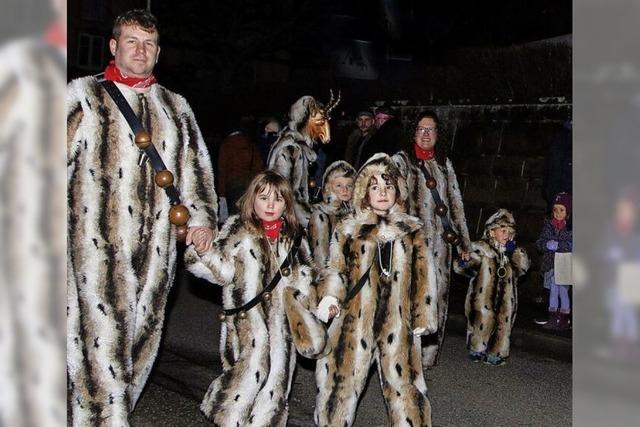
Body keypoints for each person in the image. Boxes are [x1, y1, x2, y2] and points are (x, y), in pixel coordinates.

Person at [66, 10, 218, 425]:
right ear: (113, 46)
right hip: (95, 248)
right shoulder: (82, 97)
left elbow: (195, 171)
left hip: (157, 251)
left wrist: (202, 221)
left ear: (158, 53)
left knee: (140, 345)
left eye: (148, 44)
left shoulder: (176, 106)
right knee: (100, 347)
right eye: (131, 41)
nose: (140, 50)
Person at [184, 171, 328, 426]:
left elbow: (306, 277)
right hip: (247, 323)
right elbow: (224, 272)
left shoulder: (293, 237)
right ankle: (226, 415)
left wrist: (321, 303)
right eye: (264, 198)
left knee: (275, 386)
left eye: (278, 199)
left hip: (283, 326)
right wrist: (205, 252)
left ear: (287, 204)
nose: (271, 205)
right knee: (247, 379)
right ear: (252, 200)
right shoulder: (238, 231)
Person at [314, 153, 437, 427]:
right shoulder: (349, 229)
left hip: (399, 322)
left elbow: (423, 275)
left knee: (405, 384)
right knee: (343, 381)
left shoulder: (411, 230)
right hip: (355, 320)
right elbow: (336, 266)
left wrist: (424, 315)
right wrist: (331, 296)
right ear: (364, 193)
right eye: (375, 187)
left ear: (398, 191)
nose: (382, 193)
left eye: (388, 187)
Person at [393, 110, 471, 370]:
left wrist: (464, 244)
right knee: (410, 298)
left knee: (437, 297)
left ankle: (427, 355)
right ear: (412, 132)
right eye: (421, 129)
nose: (426, 135)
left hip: (441, 246)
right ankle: (404, 352)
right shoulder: (401, 162)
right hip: (412, 246)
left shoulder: (443, 164)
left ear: (439, 134)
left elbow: (455, 203)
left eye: (431, 130)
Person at [454, 209, 530, 366]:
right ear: (491, 231)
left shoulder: (511, 252)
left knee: (503, 323)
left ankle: (496, 352)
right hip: (482, 297)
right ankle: (477, 348)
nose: (506, 235)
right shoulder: (482, 250)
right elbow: (465, 267)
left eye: (510, 232)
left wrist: (514, 253)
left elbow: (522, 269)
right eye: (503, 230)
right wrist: (464, 260)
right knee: (482, 320)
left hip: (506, 298)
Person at [267, 94, 340, 228]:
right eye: (319, 123)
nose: (326, 132)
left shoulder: (301, 148)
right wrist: (312, 221)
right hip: (286, 223)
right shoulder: (291, 149)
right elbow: (286, 194)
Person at [535, 192, 573, 330]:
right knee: (552, 290)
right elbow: (539, 242)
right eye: (555, 209)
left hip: (564, 264)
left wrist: (559, 245)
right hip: (551, 264)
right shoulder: (548, 226)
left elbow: (572, 244)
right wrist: (546, 245)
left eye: (561, 210)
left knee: (563, 290)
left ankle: (563, 318)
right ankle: (552, 316)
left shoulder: (570, 228)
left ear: (568, 211)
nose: (557, 213)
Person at [308, 160, 356, 268]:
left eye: (349, 185)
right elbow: (321, 261)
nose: (345, 189)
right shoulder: (321, 215)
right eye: (339, 185)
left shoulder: (355, 214)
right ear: (329, 187)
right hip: (331, 278)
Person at [216, 127, 264, 216]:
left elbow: (222, 170)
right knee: (250, 213)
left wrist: (221, 193)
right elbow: (259, 165)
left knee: (235, 216)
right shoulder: (250, 142)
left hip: (233, 185)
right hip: (251, 183)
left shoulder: (226, 144)